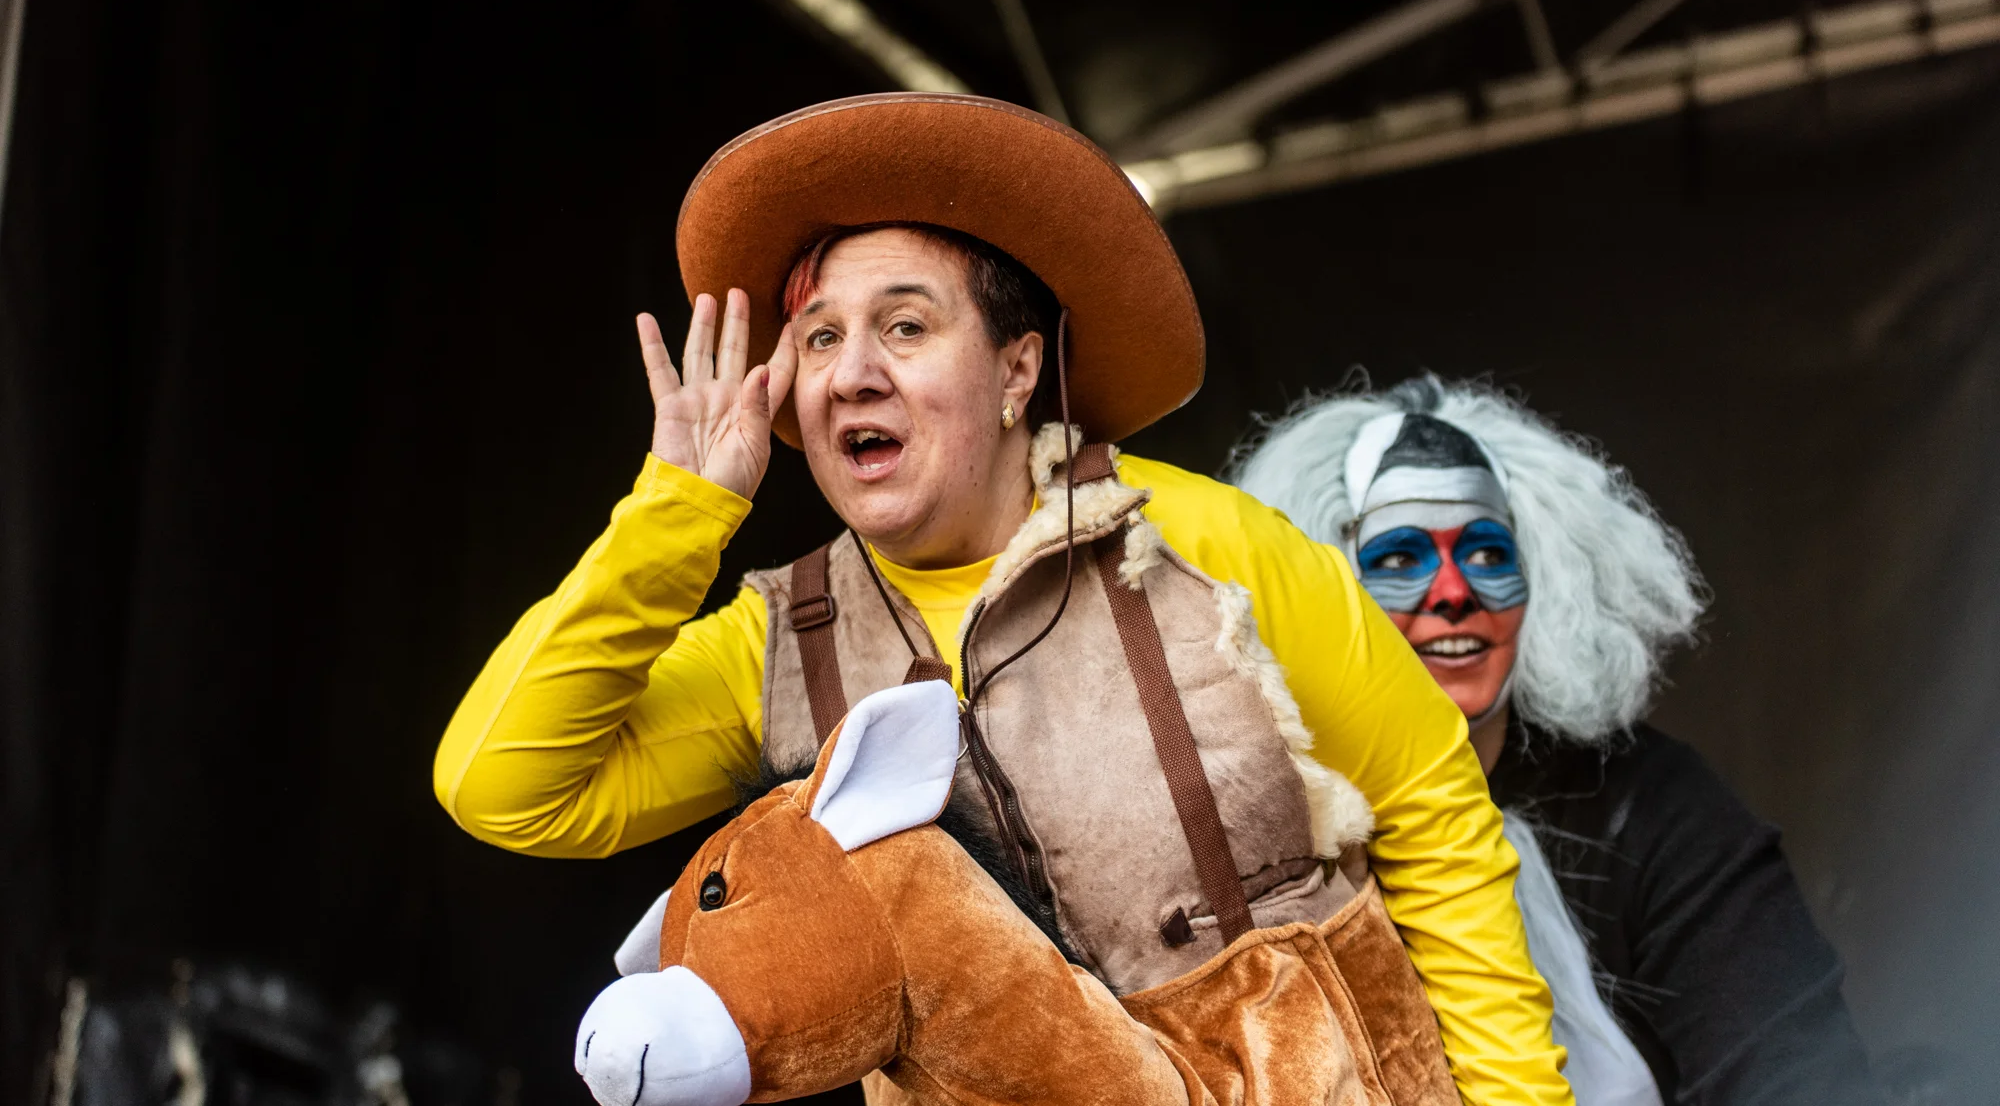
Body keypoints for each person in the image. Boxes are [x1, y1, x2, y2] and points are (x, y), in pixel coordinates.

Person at [434, 94, 1574, 1105]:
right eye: (819, 337)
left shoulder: (1200, 541)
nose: (852, 371)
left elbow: (1435, 819)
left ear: (1017, 372)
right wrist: (677, 511)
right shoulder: (772, 646)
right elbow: (503, 788)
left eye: (905, 326)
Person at [1233, 376, 1885, 1106]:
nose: (1453, 592)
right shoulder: (1265, 832)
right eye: (1398, 558)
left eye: (1487, 553)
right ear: (1329, 590)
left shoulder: (1647, 799)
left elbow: (1800, 1073)